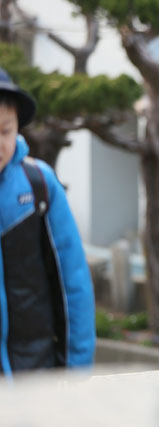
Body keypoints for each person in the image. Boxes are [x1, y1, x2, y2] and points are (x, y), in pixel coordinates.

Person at [0, 67, 95, 378]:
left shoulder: (39, 183)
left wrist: (76, 374)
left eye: (5, 131)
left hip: (34, 370)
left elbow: (74, 283)